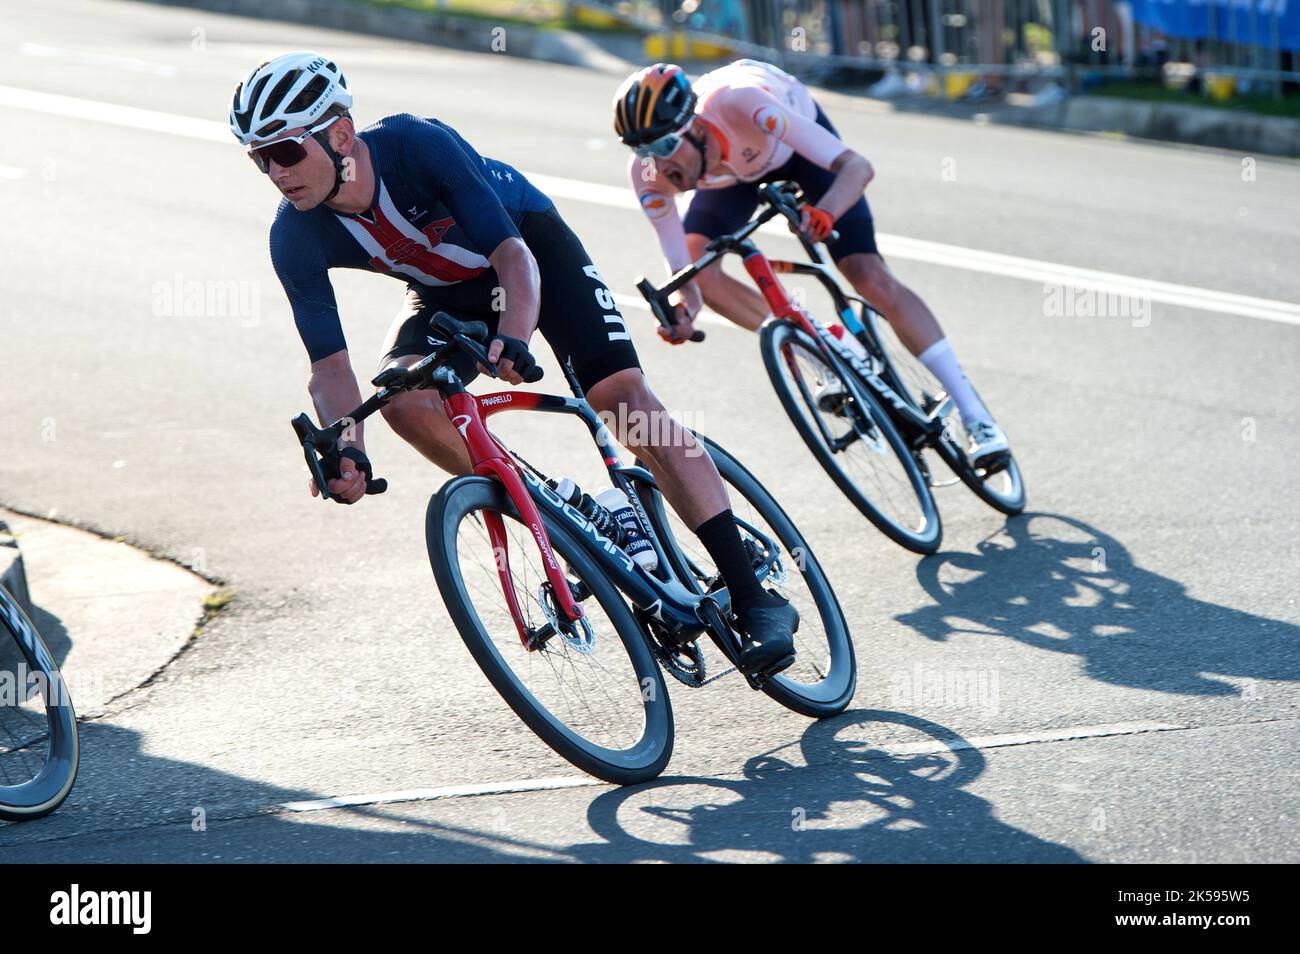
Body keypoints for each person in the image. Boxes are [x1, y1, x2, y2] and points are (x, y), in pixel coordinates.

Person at [229, 52, 798, 675]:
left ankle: (752, 595)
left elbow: (512, 257)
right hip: (446, 292)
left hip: (530, 251)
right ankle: (570, 513)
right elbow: (331, 370)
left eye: (284, 151)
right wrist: (347, 449)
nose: (274, 172)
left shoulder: (415, 144)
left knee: (626, 405)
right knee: (401, 397)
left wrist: (515, 335)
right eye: (259, 159)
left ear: (340, 135)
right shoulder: (294, 233)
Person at [613, 59, 1011, 467]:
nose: (657, 165)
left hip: (793, 151)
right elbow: (684, 273)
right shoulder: (647, 174)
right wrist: (684, 312)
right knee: (702, 263)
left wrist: (826, 213)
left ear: (694, 127)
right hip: (732, 180)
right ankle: (823, 352)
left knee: (866, 273)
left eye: (662, 147)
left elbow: (857, 167)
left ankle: (976, 416)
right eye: (642, 151)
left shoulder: (744, 103)